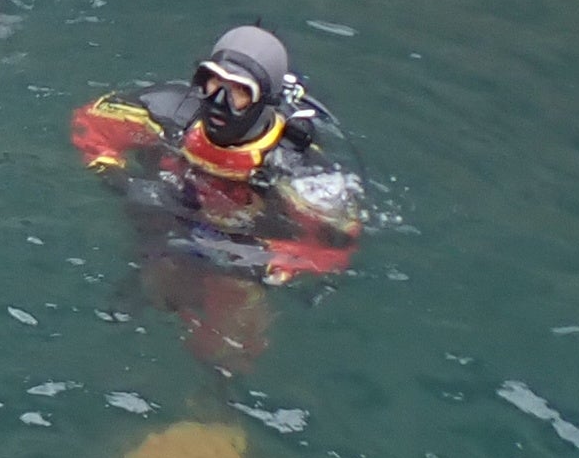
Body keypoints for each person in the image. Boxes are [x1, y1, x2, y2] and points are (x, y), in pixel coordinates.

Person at [72, 24, 364, 367]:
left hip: (238, 265)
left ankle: (218, 386)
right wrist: (122, 180)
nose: (220, 102)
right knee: (156, 265)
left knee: (229, 352)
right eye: (214, 82)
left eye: (240, 91)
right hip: (167, 230)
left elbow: (336, 243)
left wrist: (259, 259)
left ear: (265, 101)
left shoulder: (297, 171)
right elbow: (91, 123)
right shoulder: (168, 115)